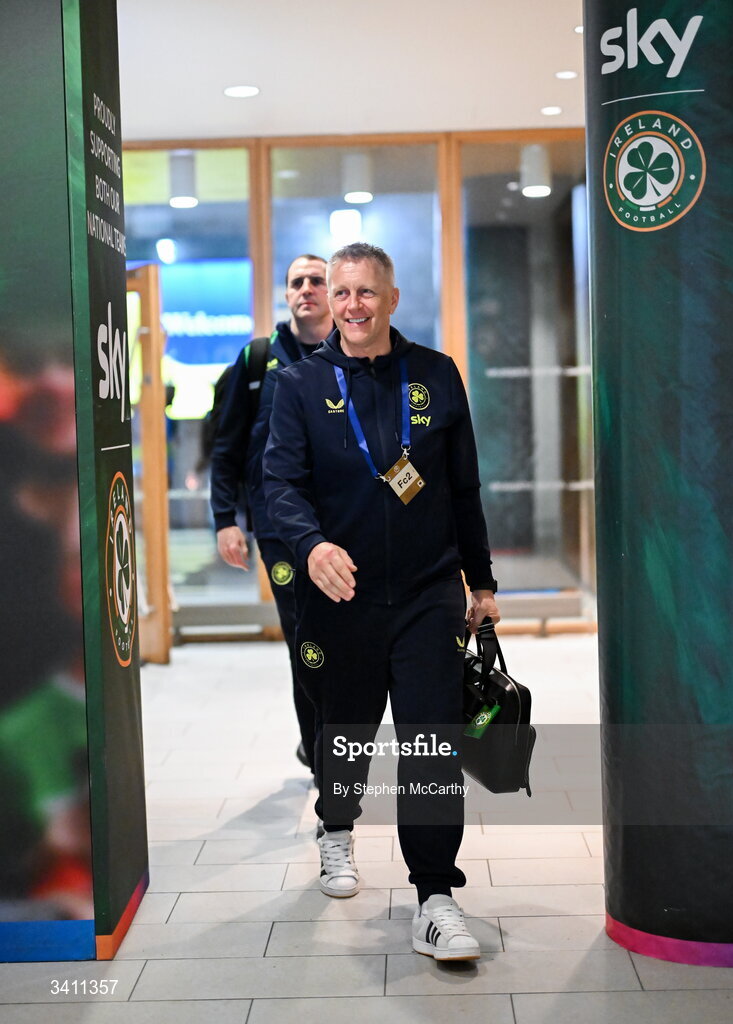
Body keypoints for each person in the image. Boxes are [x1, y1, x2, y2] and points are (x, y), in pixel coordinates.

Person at [264, 242, 500, 962]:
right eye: (342, 293)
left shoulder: (435, 374)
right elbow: (281, 486)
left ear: (392, 299)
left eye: (367, 293)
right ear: (328, 300)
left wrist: (481, 584)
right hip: (344, 596)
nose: (353, 306)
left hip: (429, 594)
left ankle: (435, 897)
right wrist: (311, 546)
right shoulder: (300, 386)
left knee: (431, 738)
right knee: (348, 733)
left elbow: (463, 488)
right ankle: (336, 826)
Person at [210, 254, 333, 773]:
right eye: (296, 282)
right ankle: (323, 756)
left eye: (317, 281)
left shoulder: (350, 354)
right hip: (280, 531)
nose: (306, 289)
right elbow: (227, 445)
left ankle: (331, 742)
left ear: (334, 291)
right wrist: (225, 519)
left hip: (345, 528)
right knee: (304, 640)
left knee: (344, 643)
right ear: (286, 294)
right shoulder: (258, 360)